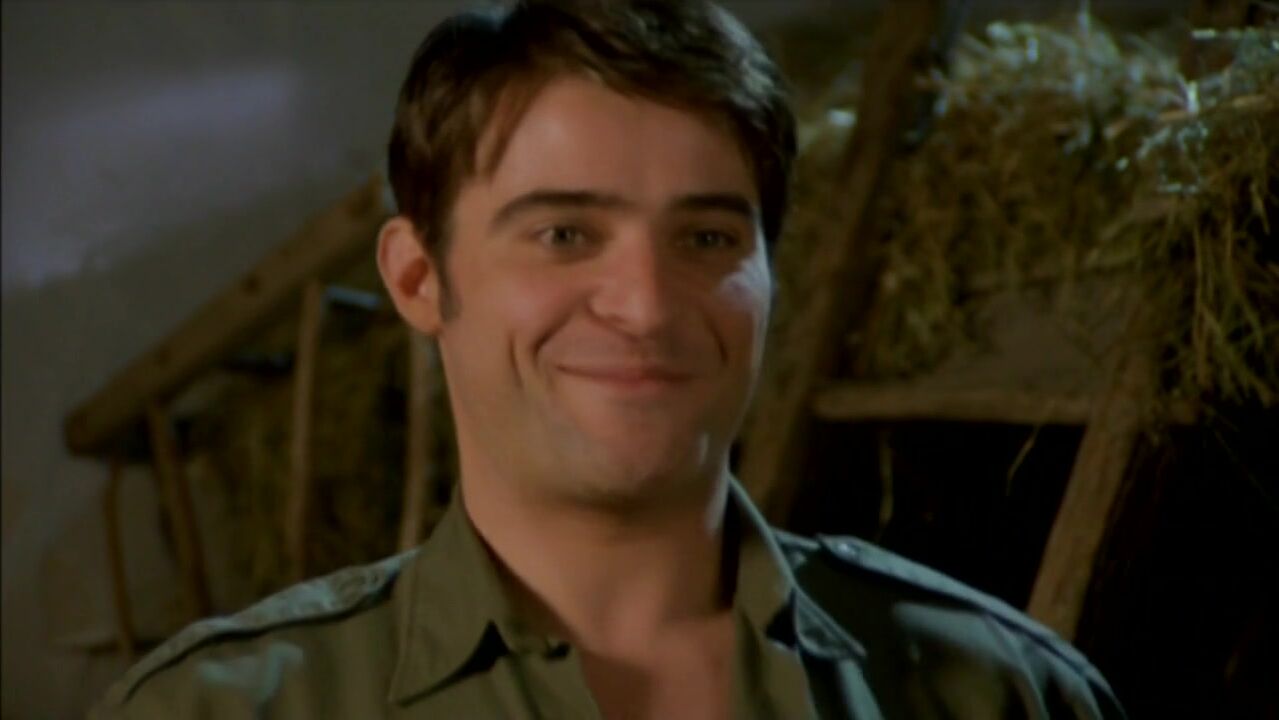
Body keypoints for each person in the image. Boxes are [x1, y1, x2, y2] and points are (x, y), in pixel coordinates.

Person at [92, 1, 1125, 717]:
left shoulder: (999, 693)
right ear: (417, 279)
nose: (644, 306)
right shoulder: (222, 711)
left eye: (707, 238)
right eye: (564, 234)